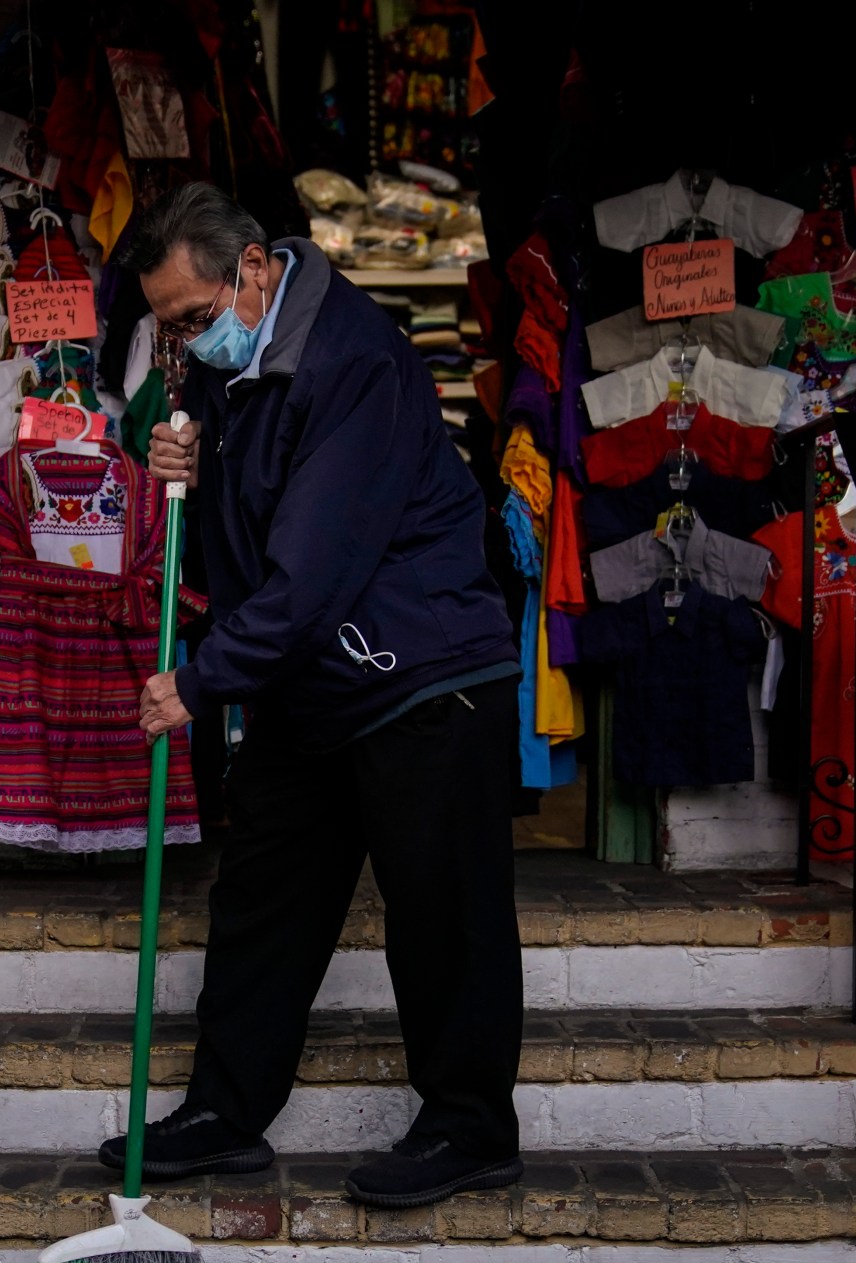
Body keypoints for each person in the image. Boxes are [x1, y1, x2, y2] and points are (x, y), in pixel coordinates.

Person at [116, 182, 526, 1208]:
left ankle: (471, 1126)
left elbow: (311, 568)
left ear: (252, 268)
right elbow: (243, 532)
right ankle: (225, 1110)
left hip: (422, 673)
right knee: (262, 896)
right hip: (309, 677)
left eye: (191, 320)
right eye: (165, 328)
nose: (182, 344)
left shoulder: (350, 362)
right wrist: (189, 464)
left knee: (444, 912)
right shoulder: (235, 359)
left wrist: (200, 683)